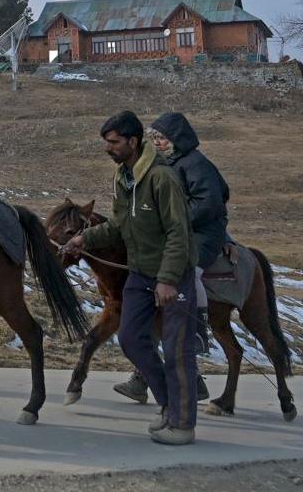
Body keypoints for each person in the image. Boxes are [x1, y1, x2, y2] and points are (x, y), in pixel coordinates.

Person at [61, 111, 199, 445]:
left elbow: (179, 233)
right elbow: (119, 225)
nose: (108, 149)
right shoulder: (124, 177)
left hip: (170, 274)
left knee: (178, 350)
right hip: (139, 273)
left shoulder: (162, 178)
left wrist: (168, 279)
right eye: (106, 142)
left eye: (113, 142)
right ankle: (168, 405)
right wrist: (85, 239)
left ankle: (182, 425)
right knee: (132, 340)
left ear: (133, 142)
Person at [113, 112, 227, 404]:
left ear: (178, 140)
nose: (159, 144)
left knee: (190, 271)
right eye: (156, 139)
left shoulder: (197, 164)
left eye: (163, 139)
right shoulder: (167, 165)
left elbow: (209, 203)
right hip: (173, 230)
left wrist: (169, 218)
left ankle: (198, 328)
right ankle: (143, 372)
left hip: (202, 233)